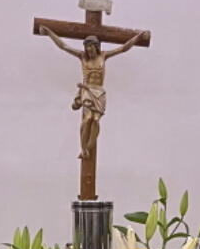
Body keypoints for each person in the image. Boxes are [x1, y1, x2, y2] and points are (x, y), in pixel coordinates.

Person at [40, 27, 146, 159]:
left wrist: (138, 37)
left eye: (91, 49)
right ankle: (83, 148)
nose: (89, 52)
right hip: (87, 89)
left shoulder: (104, 55)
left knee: (96, 120)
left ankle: (88, 148)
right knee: (87, 119)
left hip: (99, 92)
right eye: (87, 49)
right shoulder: (82, 56)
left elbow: (123, 48)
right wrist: (50, 32)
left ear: (96, 47)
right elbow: (63, 46)